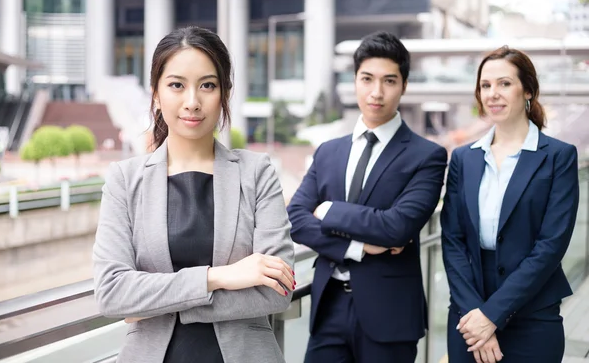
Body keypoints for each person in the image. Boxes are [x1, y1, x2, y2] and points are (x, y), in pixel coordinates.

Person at [92, 26, 295, 363]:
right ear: (156, 95)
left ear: (224, 94)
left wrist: (157, 304)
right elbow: (113, 293)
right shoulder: (124, 180)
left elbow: (277, 291)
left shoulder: (257, 172)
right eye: (176, 85)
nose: (192, 102)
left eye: (207, 86)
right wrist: (219, 277)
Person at [287, 31, 447, 363]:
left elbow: (396, 228)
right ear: (355, 81)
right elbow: (297, 219)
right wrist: (356, 247)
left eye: (389, 81)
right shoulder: (329, 151)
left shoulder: (427, 155)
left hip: (390, 316)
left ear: (404, 85)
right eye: (367, 79)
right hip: (328, 307)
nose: (377, 92)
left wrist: (329, 210)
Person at [441, 46, 579, 363]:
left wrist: (492, 315)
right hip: (468, 314)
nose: (493, 94)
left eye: (504, 83)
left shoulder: (558, 156)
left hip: (532, 314)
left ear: (528, 90)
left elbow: (551, 245)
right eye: (485, 85)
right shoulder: (464, 158)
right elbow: (452, 239)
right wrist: (476, 315)